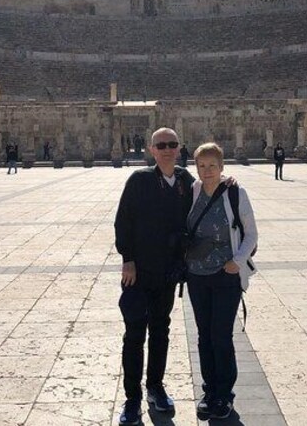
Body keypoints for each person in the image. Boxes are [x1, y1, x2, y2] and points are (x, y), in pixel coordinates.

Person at [114, 128, 194, 425]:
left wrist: (228, 183)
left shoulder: (186, 181)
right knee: (134, 335)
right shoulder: (140, 180)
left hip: (168, 272)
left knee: (161, 330)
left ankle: (155, 387)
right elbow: (123, 221)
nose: (167, 149)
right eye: (161, 145)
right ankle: (132, 398)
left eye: (172, 144)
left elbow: (207, 194)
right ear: (151, 148)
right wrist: (128, 260)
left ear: (179, 147)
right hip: (138, 272)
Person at [186, 143, 258, 421]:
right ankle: (209, 391)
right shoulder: (193, 189)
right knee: (204, 337)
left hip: (225, 276)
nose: (207, 171)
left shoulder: (236, 193)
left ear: (222, 166)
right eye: (202, 166)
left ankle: (224, 394)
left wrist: (236, 262)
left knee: (221, 336)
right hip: (197, 275)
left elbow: (251, 234)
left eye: (212, 165)